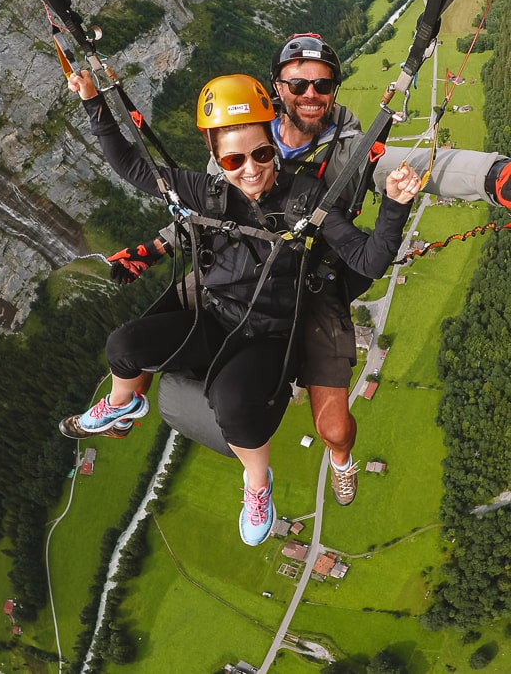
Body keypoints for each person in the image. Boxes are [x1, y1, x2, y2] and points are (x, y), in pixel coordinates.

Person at [104, 34, 511, 507]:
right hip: (239, 276)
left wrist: (492, 177)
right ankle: (123, 404)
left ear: (335, 89)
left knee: (334, 427)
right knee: (148, 328)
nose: (311, 95)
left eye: (323, 84)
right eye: (298, 84)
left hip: (312, 287)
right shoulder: (243, 136)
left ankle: (341, 460)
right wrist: (156, 246)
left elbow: (413, 164)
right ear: (277, 87)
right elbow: (213, 209)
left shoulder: (347, 150)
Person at [59, 69, 422, 545]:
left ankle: (257, 486)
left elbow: (368, 260)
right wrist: (93, 102)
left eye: (261, 154)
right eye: (233, 159)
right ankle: (123, 406)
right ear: (216, 159)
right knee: (123, 346)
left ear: (273, 145)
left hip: (270, 335)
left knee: (231, 402)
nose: (249, 169)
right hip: (214, 318)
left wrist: (394, 206)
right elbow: (131, 166)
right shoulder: (208, 192)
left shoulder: (307, 199)